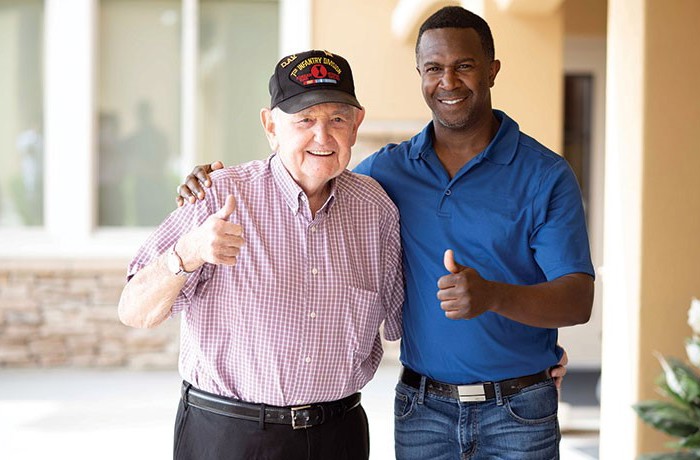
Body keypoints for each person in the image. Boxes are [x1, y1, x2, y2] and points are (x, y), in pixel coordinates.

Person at [177, 6, 594, 459]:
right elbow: (307, 177)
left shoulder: (545, 175)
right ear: (420, 74)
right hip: (424, 410)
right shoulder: (387, 173)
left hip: (519, 410)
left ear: (492, 71)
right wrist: (210, 181)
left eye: (465, 66)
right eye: (434, 68)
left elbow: (577, 299)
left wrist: (493, 296)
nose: (448, 81)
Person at [119, 49, 404, 460]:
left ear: (356, 126)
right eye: (304, 120)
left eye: (337, 119)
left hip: (338, 436)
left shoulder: (376, 209)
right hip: (229, 436)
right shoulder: (217, 195)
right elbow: (134, 310)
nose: (322, 136)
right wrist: (190, 251)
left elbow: (403, 322)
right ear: (271, 126)